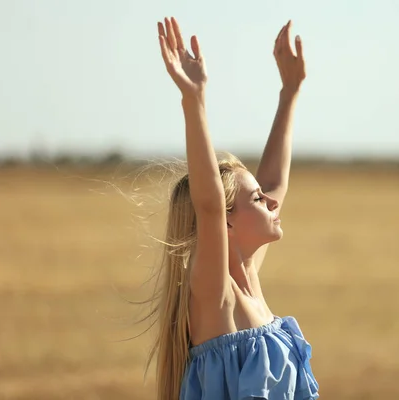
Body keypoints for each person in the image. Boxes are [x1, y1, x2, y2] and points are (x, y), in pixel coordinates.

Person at [146, 16, 320, 400]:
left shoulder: (247, 277)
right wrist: (194, 101)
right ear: (225, 220)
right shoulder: (215, 292)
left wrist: (289, 92)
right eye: (258, 199)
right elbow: (207, 204)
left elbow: (274, 180)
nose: (273, 200)